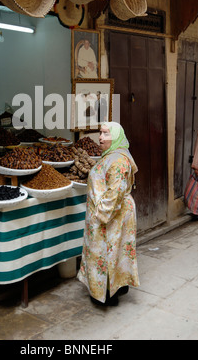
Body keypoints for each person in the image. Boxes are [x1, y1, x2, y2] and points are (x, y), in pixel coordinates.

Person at [77, 121, 140, 306]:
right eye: (101, 133)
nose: (101, 137)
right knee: (117, 250)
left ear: (116, 137)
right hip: (114, 212)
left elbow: (116, 192)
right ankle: (118, 286)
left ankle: (106, 295)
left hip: (112, 214)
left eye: (105, 133)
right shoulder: (112, 155)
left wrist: (101, 216)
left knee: (106, 252)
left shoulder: (118, 160)